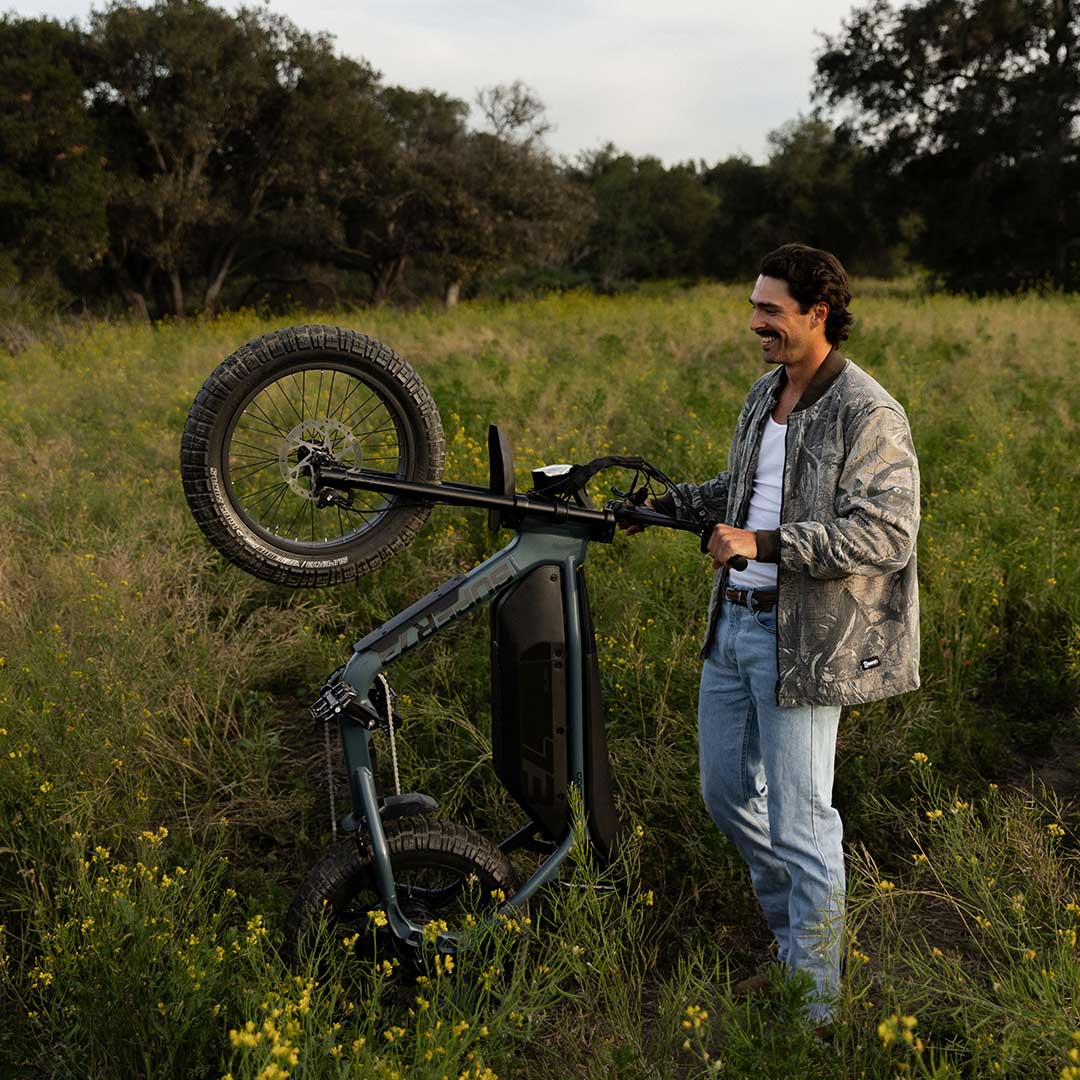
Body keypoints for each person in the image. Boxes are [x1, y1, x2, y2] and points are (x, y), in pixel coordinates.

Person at [636, 243, 920, 1025]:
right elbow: (740, 490)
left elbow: (887, 534)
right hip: (732, 626)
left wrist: (766, 545)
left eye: (771, 310)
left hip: (805, 643)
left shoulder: (868, 411)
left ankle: (816, 1012)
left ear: (817, 313)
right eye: (754, 306)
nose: (755, 322)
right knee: (727, 796)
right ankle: (797, 949)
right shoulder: (766, 394)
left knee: (802, 822)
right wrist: (652, 506)